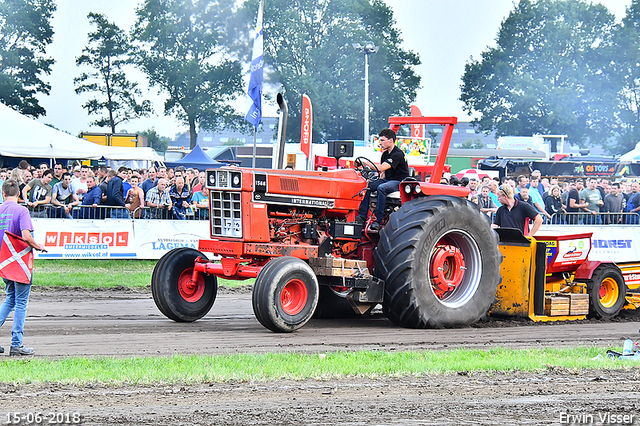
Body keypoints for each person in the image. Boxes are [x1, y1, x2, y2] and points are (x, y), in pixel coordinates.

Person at [0, 179, 46, 356]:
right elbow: (26, 236)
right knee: (20, 302)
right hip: (19, 262)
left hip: (4, 262)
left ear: (3, 193)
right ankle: (16, 344)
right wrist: (38, 246)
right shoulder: (22, 210)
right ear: (19, 194)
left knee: (10, 298)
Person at [357, 128, 410, 231]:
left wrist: (365, 163)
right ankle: (362, 217)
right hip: (388, 180)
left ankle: (378, 220)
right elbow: (383, 173)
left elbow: (381, 168)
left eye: (382, 140)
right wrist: (373, 182)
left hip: (399, 182)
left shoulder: (397, 154)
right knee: (367, 186)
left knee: (382, 188)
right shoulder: (385, 154)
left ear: (390, 140)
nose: (380, 143)